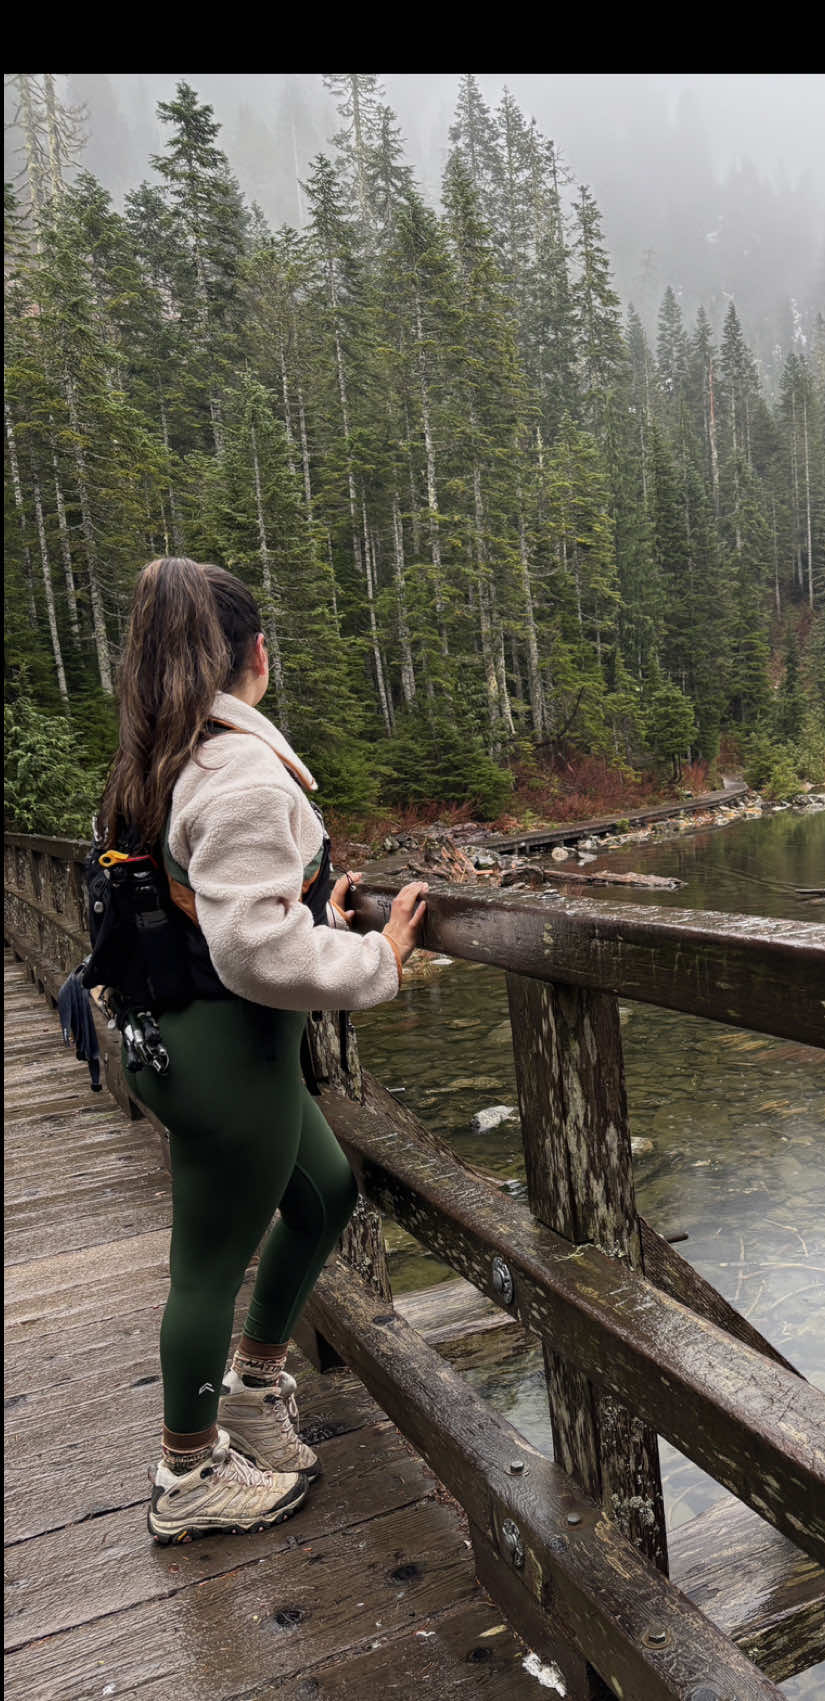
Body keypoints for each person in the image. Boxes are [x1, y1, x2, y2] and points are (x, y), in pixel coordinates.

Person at [93, 556, 428, 1545]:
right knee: (204, 1268)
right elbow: (252, 949)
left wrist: (306, 903)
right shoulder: (235, 769)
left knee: (325, 1190)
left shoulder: (159, 759)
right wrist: (377, 954)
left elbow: (213, 903)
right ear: (256, 657)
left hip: (186, 1042)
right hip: (225, 1056)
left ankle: (251, 1388)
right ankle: (187, 1474)